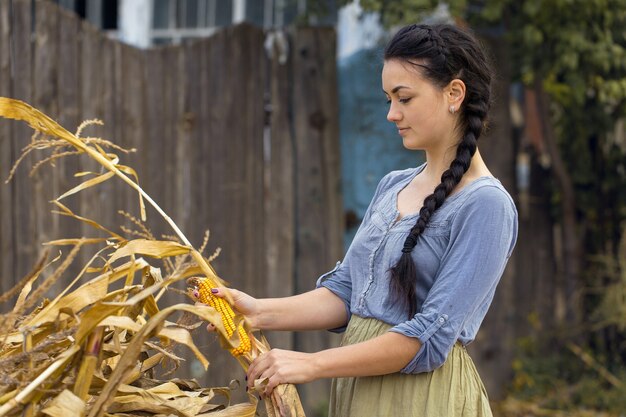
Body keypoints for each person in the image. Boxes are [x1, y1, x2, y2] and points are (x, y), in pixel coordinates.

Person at [207, 23, 518, 416]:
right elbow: (349, 292)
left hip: (421, 399)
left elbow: (430, 337)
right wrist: (258, 311)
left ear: (454, 93)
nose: (392, 114)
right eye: (388, 98)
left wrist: (311, 363)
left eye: (404, 98)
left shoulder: (486, 205)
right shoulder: (392, 186)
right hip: (357, 391)